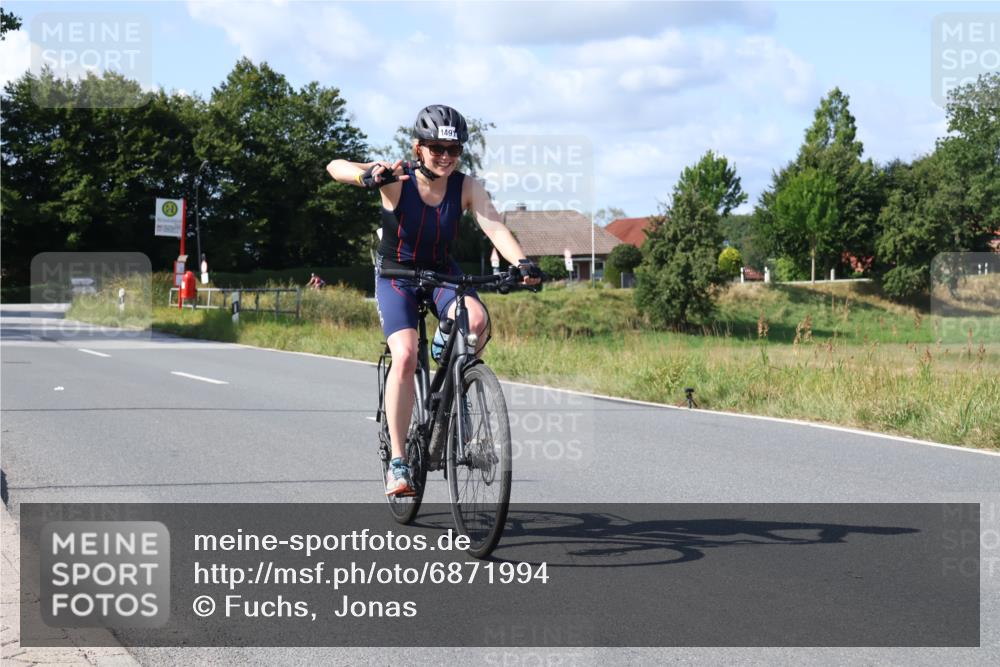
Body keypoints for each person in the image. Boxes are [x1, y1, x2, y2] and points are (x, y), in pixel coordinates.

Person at [327, 104, 541, 496]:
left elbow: (494, 226)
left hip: (443, 273)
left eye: (453, 150)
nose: (445, 156)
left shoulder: (466, 186)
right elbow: (334, 165)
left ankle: (454, 387)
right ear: (418, 148)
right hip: (398, 277)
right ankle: (398, 462)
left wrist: (523, 261)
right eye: (435, 148)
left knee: (476, 322)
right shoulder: (397, 178)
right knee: (406, 355)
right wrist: (368, 176)